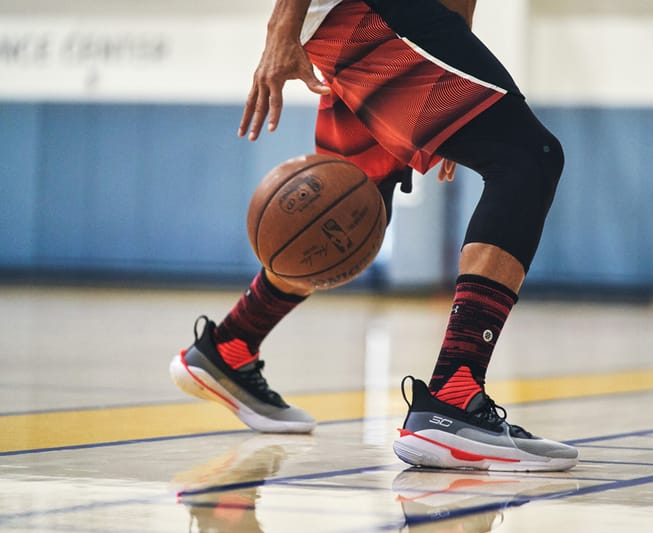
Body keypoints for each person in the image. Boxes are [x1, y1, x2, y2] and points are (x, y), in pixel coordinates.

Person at [170, 0, 578, 472]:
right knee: (528, 159)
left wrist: (454, 56)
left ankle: (231, 344)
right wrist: (280, 27)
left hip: (379, 20)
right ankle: (454, 396)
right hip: (371, 14)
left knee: (354, 207)